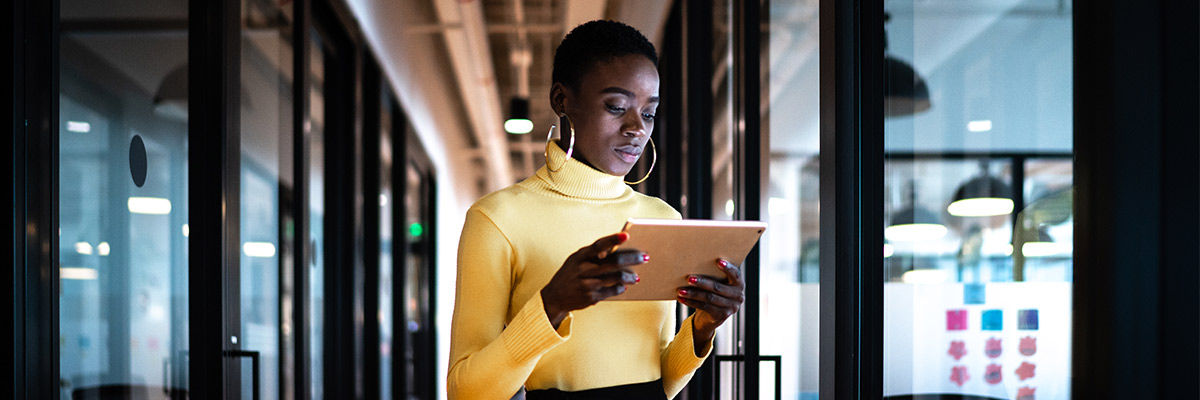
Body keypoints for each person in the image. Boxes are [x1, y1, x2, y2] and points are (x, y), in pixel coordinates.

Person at [447, 20, 745, 399]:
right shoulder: (497, 219)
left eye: (649, 113)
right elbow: (464, 391)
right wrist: (551, 305)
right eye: (617, 106)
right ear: (562, 100)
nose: (637, 127)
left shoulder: (662, 219)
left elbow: (663, 381)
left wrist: (704, 326)